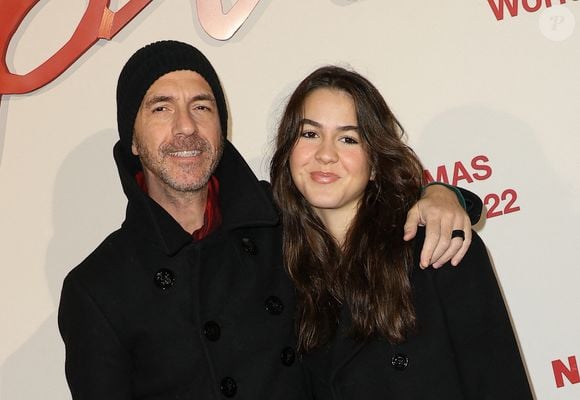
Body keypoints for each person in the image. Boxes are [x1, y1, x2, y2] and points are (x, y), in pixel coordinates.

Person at [58, 41, 481, 399]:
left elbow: (368, 203)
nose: (186, 126)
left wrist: (443, 194)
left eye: (202, 106)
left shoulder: (281, 214)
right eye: (161, 108)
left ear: (221, 128)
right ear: (132, 138)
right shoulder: (97, 289)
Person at [270, 66, 533, 399]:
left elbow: (500, 386)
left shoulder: (437, 250)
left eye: (348, 138)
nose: (325, 154)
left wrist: (442, 194)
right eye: (310, 134)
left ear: (376, 163)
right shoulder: (280, 268)